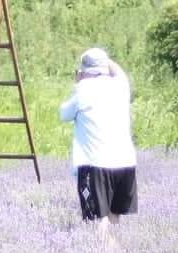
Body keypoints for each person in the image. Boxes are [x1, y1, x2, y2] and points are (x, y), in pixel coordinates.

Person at [58, 47, 137, 235]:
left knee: (97, 222)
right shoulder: (121, 85)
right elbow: (119, 72)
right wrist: (104, 60)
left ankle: (107, 252)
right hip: (125, 163)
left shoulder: (83, 89)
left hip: (95, 164)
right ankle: (119, 252)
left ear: (85, 71)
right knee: (114, 219)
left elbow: (64, 114)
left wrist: (79, 82)